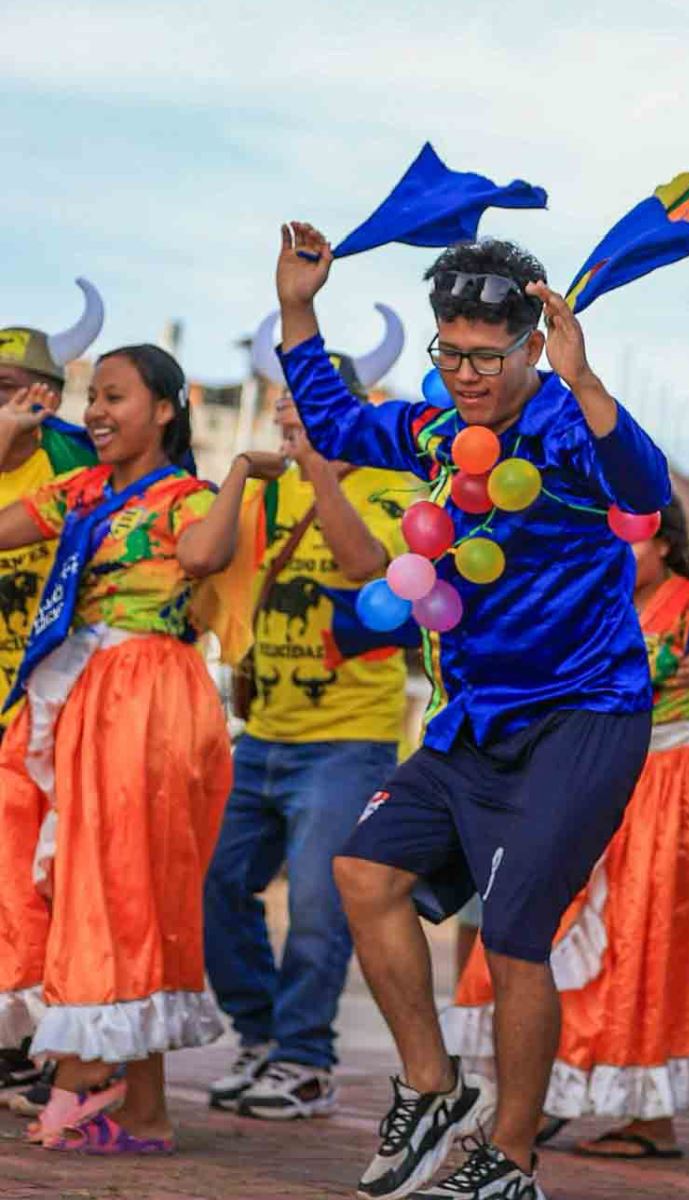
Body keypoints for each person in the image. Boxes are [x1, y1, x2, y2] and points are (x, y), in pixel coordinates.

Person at [275, 222, 671, 1199]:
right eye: (448, 353)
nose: (464, 375)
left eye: (485, 357)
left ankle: (511, 1157)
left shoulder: (573, 429)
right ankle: (429, 1084)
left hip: (583, 715)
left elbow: (647, 487)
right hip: (473, 721)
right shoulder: (434, 430)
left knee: (515, 935)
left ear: (532, 345)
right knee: (363, 873)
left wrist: (586, 381)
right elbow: (331, 421)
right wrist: (298, 307)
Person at [0, 343, 282, 1153]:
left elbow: (203, 557)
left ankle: (122, 1093)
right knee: (48, 868)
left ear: (164, 409)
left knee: (123, 886)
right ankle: (107, 1080)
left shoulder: (184, 496)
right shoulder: (83, 491)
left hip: (144, 692)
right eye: (92, 396)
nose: (95, 411)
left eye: (114, 396)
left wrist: (236, 477)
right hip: (72, 690)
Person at [442, 499, 689, 1159]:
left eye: (635, 541)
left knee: (644, 943)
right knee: (554, 928)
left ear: (666, 543)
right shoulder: (592, 601)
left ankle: (649, 1119)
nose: (621, 554)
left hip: (673, 787)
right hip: (598, 776)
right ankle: (543, 1095)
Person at [202, 332, 417, 1119]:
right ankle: (260, 1035)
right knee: (217, 883)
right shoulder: (267, 489)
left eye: (307, 394)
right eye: (285, 394)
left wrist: (321, 467)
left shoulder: (396, 489)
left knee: (322, 909)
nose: (287, 406)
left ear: (346, 409)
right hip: (261, 730)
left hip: (348, 739)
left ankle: (305, 1060)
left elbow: (365, 566)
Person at [0, 283, 104, 1099]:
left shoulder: (71, 465)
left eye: (9, 392)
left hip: (39, 706)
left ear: (43, 395)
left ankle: (33, 1038)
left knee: (39, 878)